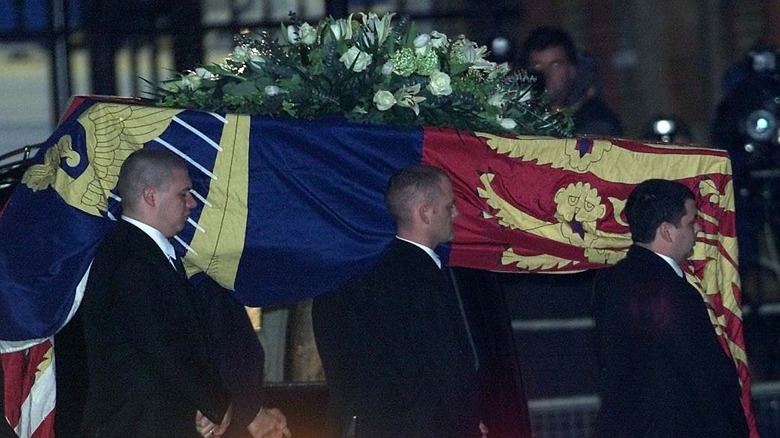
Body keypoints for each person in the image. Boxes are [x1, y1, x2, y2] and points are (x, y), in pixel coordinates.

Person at [312, 164, 484, 438]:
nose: (457, 213)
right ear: (425, 212)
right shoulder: (420, 278)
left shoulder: (360, 274)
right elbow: (444, 368)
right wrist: (465, 423)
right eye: (449, 205)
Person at [80, 148, 232, 437]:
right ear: (151, 196)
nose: (192, 203)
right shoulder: (133, 260)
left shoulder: (137, 252)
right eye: (183, 194)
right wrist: (215, 402)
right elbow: (162, 345)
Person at [590, 179, 748, 438]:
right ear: (666, 231)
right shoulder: (673, 292)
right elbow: (706, 378)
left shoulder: (609, 282)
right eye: (690, 222)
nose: (697, 228)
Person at [518, 26, 623, 137]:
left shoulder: (596, 121)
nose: (546, 73)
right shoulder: (518, 115)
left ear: (572, 70)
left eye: (555, 65)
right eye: (537, 66)